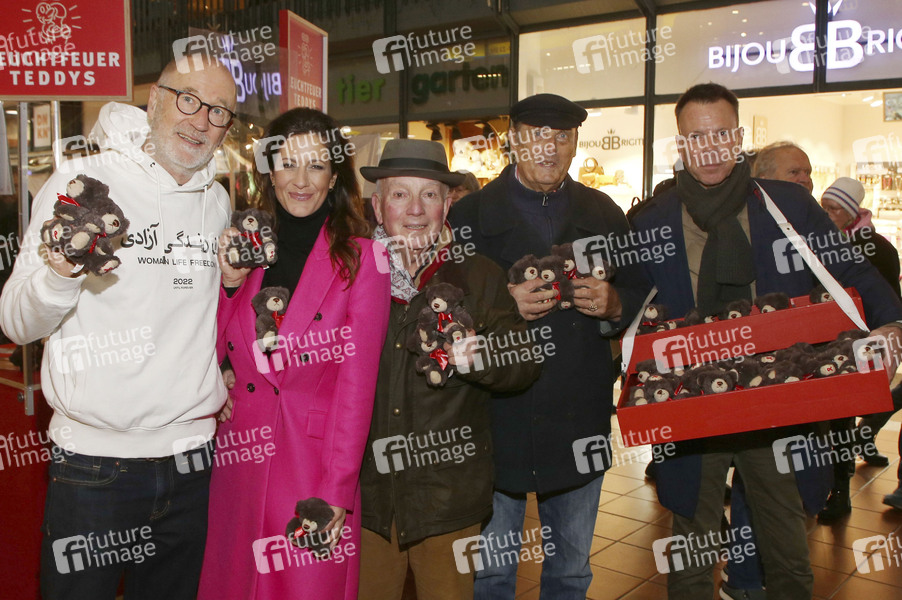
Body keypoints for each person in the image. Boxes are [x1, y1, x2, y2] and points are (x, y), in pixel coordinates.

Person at [629, 82, 902, 600]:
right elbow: (631, 302)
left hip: (778, 396)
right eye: (696, 137)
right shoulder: (653, 220)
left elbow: (849, 268)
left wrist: (891, 324)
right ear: (681, 143)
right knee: (692, 545)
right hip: (692, 402)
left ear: (738, 138)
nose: (710, 148)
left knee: (785, 543)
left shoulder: (788, 205)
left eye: (720, 134)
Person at [0, 56, 236, 599]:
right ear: (154, 100)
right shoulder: (81, 185)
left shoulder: (218, 202)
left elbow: (201, 313)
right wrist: (61, 274)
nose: (200, 121)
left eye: (218, 111)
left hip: (192, 461)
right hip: (93, 468)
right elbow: (15, 320)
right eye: (189, 99)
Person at [449, 93, 650, 599]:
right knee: (491, 574)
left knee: (571, 572)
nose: (550, 148)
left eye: (562, 137)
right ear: (513, 140)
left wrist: (615, 303)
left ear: (576, 144)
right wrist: (502, 304)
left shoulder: (603, 212)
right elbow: (442, 311)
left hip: (578, 416)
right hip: (494, 417)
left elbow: (644, 292)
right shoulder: (469, 216)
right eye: (537, 135)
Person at [197, 108, 390, 599]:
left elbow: (357, 389)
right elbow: (207, 351)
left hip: (313, 467)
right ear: (268, 170)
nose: (301, 180)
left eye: (316, 165)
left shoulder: (364, 259)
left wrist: (337, 489)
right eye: (288, 163)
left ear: (334, 177)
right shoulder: (244, 246)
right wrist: (229, 286)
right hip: (239, 459)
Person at [356, 139, 540, 600]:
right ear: (378, 207)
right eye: (400, 195)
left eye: (430, 195)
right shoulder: (350, 274)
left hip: (448, 498)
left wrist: (481, 358)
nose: (416, 210)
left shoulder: (479, 276)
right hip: (367, 496)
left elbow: (525, 362)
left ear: (447, 204)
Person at [818, 176, 902, 510]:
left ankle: (840, 490)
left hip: (857, 343)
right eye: (823, 206)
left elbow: (887, 299)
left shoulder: (877, 248)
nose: (826, 214)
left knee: (842, 416)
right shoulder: (816, 241)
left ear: (851, 213)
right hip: (822, 340)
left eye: (834, 208)